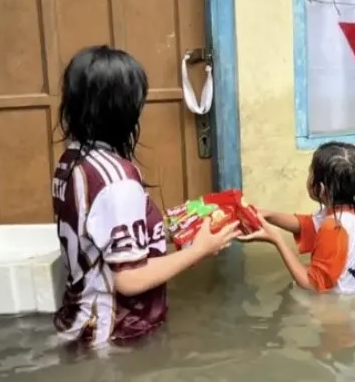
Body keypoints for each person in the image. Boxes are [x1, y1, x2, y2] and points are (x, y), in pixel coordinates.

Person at [51, 45, 240, 348]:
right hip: (117, 336)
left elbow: (100, 240)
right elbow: (129, 279)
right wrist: (199, 250)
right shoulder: (117, 179)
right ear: (120, 108)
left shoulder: (72, 160)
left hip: (80, 324)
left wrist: (172, 229)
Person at [240, 142, 355, 294]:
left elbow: (311, 285)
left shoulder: (334, 226)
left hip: (336, 307)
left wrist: (276, 240)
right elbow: (308, 224)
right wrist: (267, 215)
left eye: (310, 172)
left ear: (320, 188)